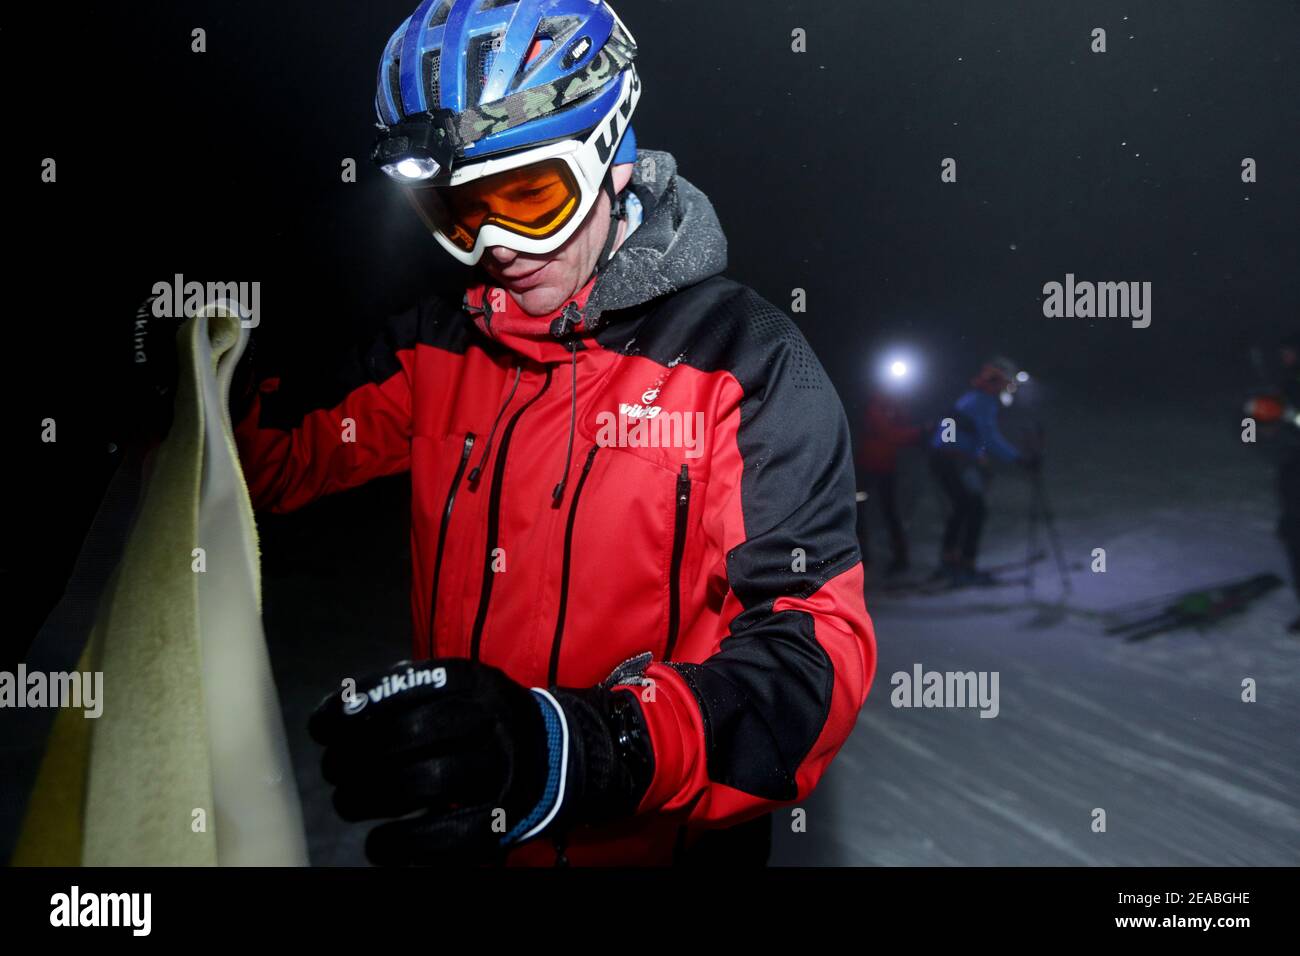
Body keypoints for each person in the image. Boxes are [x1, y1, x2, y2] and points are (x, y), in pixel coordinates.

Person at [229, 0, 874, 865]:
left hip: (658, 846)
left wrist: (590, 748)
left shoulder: (745, 366)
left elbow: (813, 656)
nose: (496, 246)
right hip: (473, 837)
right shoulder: (438, 347)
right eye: (458, 212)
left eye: (530, 197)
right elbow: (267, 460)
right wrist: (199, 366)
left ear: (612, 161)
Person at [927, 358, 1034, 585]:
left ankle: (951, 562)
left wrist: (979, 458)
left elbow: (972, 436)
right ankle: (963, 566)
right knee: (974, 510)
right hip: (950, 460)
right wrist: (1019, 459)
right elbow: (989, 438)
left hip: (948, 459)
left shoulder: (975, 397)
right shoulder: (983, 401)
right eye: (1007, 383)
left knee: (964, 509)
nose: (1008, 389)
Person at [1246, 331, 1300, 632]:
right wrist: (1263, 418)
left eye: (1290, 352)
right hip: (1292, 469)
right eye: (1284, 352)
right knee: (1293, 535)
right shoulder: (1285, 384)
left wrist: (1288, 417)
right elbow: (1259, 428)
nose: (1285, 357)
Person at [857, 390, 923, 576]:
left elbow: (901, 430)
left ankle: (900, 558)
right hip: (867, 468)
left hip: (886, 468)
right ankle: (862, 557)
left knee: (890, 512)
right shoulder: (876, 406)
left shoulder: (897, 407)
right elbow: (890, 434)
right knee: (859, 511)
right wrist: (920, 432)